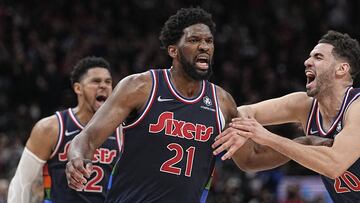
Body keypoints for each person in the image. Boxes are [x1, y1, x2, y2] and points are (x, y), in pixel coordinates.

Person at [64, 7, 239, 203]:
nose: (204, 46)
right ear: (173, 50)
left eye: (209, 41)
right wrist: (76, 158)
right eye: (194, 40)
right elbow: (87, 138)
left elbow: (252, 158)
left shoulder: (223, 102)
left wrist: (274, 142)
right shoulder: (140, 87)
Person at [212, 30, 360, 202]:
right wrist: (238, 129)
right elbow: (242, 112)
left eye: (318, 57)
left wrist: (266, 137)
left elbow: (334, 166)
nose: (307, 62)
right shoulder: (304, 105)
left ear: (341, 69)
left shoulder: (356, 107)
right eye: (309, 56)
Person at [7, 56, 121, 203]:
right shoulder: (51, 128)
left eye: (108, 82)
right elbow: (23, 182)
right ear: (78, 88)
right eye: (96, 81)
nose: (104, 86)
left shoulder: (121, 130)